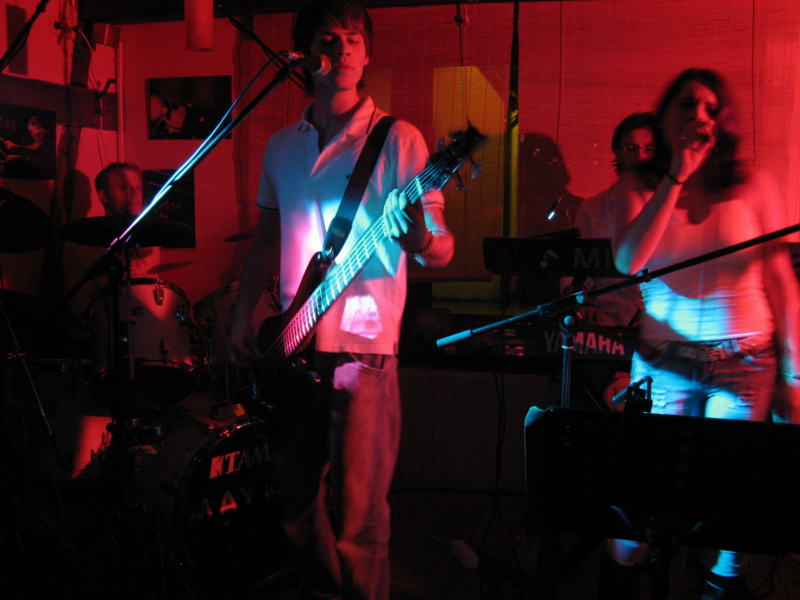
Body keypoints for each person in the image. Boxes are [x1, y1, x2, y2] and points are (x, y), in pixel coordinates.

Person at [227, 1, 454, 598]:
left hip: (364, 350)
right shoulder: (281, 145)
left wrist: (421, 239)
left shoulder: (398, 138)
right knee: (295, 509)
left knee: (360, 519)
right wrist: (241, 315)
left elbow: (440, 248)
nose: (344, 49)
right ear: (306, 53)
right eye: (330, 38)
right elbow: (265, 238)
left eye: (355, 39)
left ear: (368, 53)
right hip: (291, 344)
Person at [602, 68, 800, 599]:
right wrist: (677, 176)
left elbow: (782, 282)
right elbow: (628, 261)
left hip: (744, 363)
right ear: (665, 116)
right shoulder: (637, 188)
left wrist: (795, 376)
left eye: (712, 108)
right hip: (663, 365)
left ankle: (721, 582)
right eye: (688, 105)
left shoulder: (753, 186)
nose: (700, 117)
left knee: (726, 506)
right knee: (645, 508)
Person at [560, 113, 659, 409]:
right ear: (617, 152)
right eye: (631, 148)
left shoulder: (674, 207)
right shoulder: (593, 209)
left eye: (649, 148)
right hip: (605, 330)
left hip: (662, 332)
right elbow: (575, 275)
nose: (640, 156)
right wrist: (583, 303)